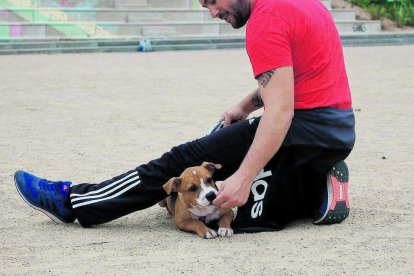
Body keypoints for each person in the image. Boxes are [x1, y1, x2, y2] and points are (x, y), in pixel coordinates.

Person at [14, 0, 355, 232]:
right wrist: (246, 106)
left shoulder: (266, 21)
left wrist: (245, 176)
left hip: (301, 129)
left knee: (190, 173)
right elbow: (296, 79)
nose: (212, 12)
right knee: (251, 209)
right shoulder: (302, 3)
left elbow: (281, 111)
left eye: (211, 1)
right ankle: (316, 180)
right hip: (335, 131)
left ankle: (72, 201)